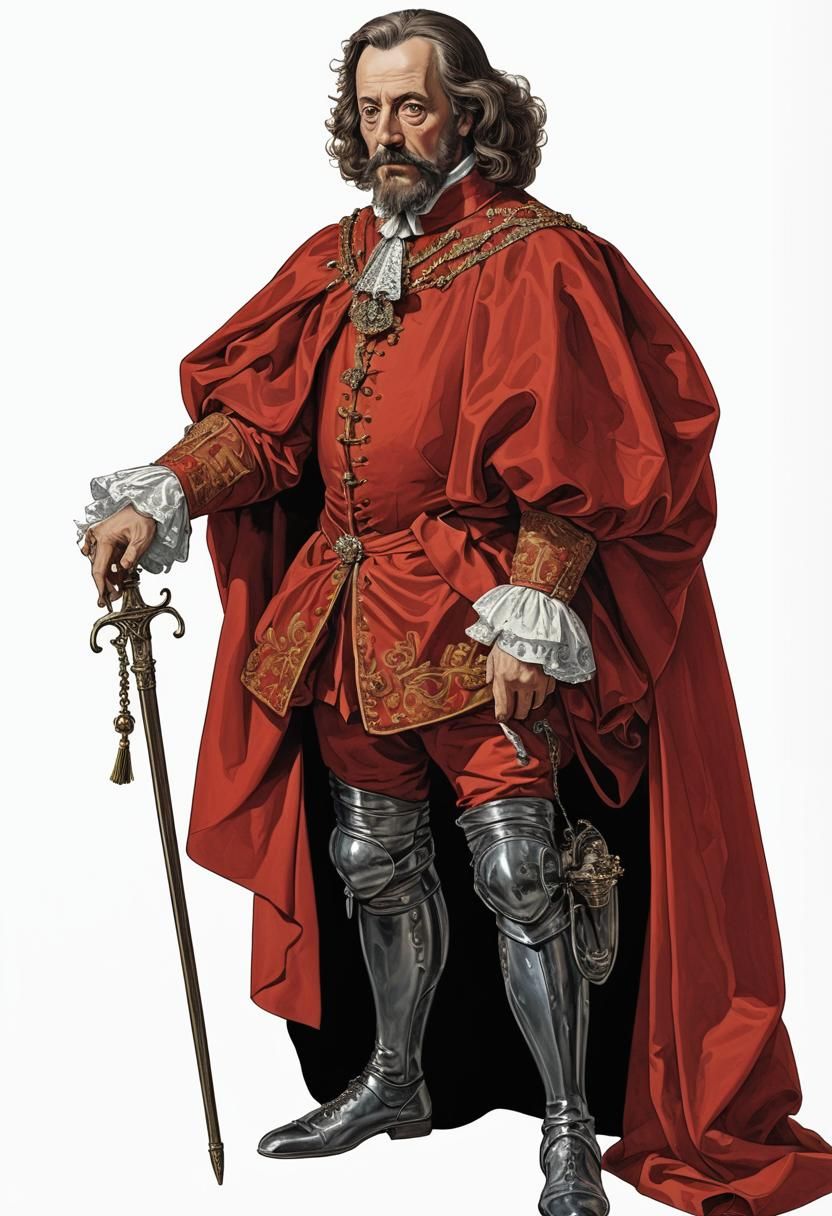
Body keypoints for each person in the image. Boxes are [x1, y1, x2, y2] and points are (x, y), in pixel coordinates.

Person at [76, 11, 832, 1216]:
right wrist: (156, 493)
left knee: (521, 871)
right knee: (370, 857)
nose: (388, 131)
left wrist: (536, 606)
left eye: (412, 107)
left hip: (475, 617)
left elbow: (586, 452)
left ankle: (569, 1127)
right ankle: (394, 1077)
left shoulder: (539, 259)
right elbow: (264, 430)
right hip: (344, 617)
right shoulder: (334, 259)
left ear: (469, 113)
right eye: (371, 109)